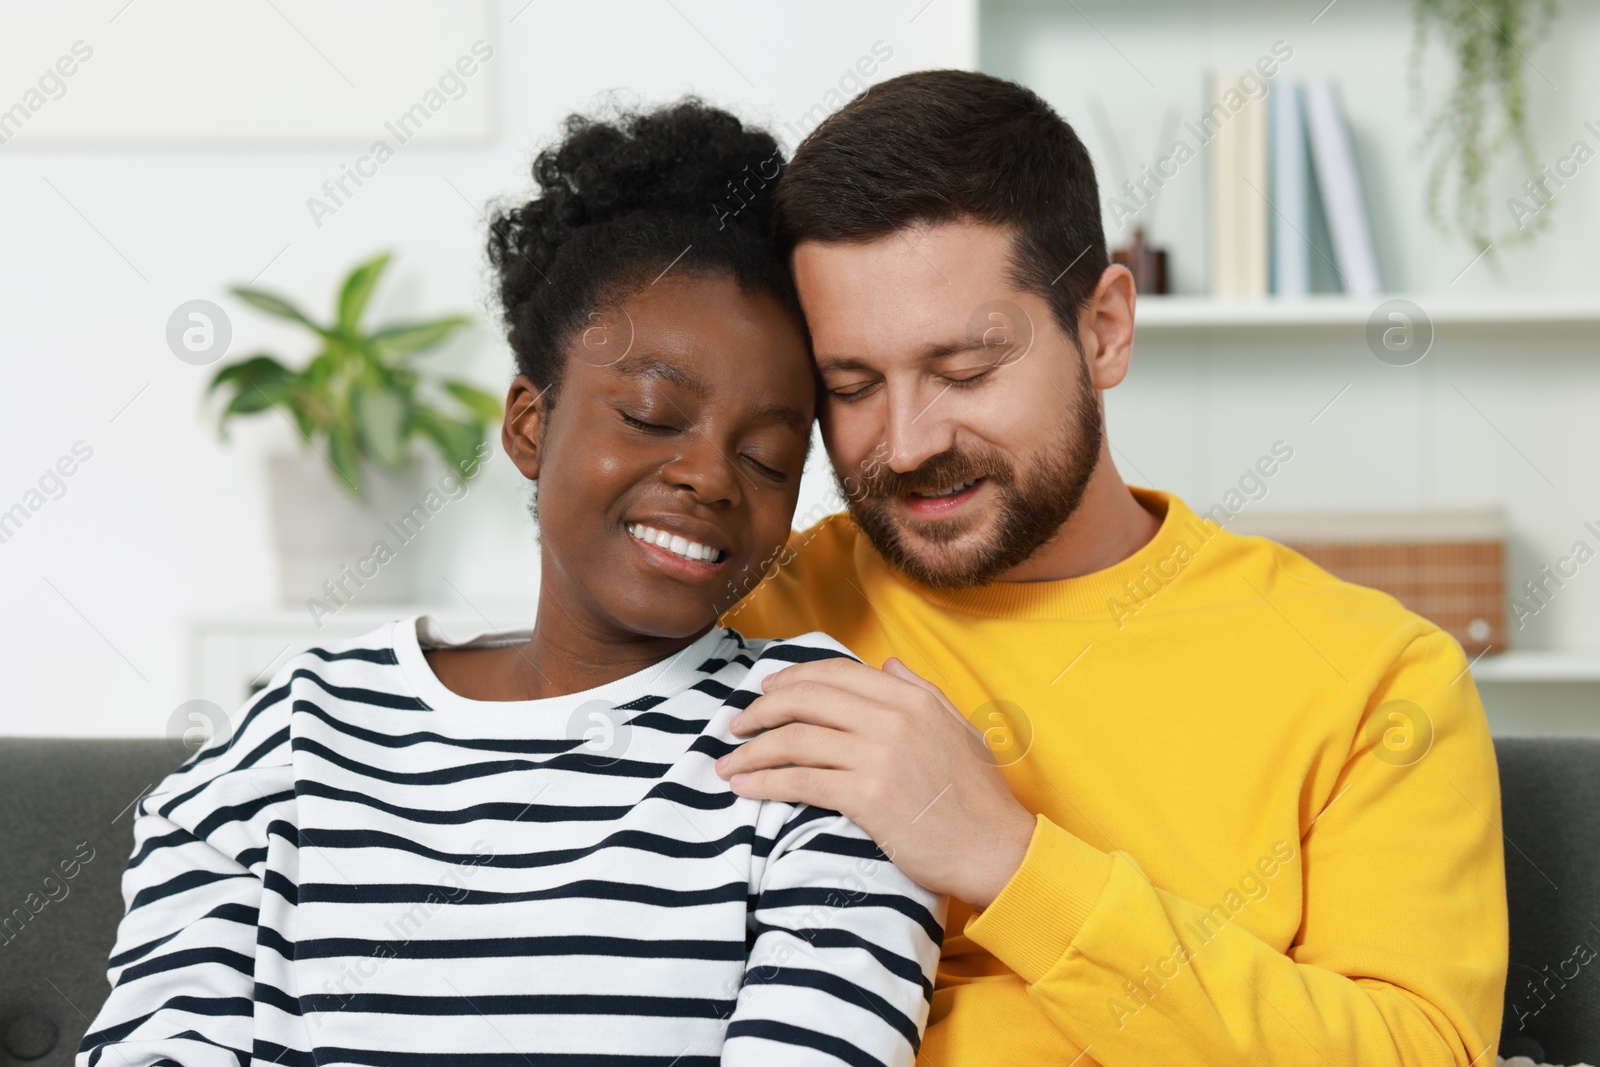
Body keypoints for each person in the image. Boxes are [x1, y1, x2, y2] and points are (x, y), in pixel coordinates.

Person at [78, 100, 944, 1067]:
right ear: (531, 424)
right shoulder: (301, 727)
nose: (709, 475)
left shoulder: (817, 740)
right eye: (654, 417)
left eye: (769, 456)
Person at [715, 69, 1509, 1066]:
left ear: (1104, 330)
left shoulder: (1377, 676)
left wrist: (1008, 860)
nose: (909, 441)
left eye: (963, 369)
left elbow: (1420, 1053)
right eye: (853, 384)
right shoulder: (746, 618)